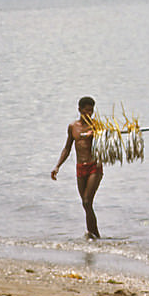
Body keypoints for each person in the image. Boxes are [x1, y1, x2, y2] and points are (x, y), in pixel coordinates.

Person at [51, 96, 103, 239]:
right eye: (86, 111)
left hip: (94, 166)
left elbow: (107, 141)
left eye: (91, 111)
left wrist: (96, 135)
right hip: (80, 167)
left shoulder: (97, 126)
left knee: (87, 200)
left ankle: (95, 234)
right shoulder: (73, 127)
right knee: (86, 204)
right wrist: (57, 166)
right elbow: (67, 148)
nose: (89, 114)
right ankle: (92, 235)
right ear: (79, 110)